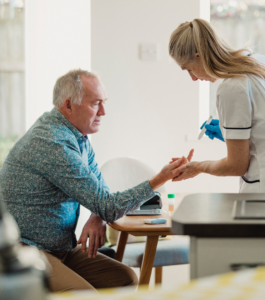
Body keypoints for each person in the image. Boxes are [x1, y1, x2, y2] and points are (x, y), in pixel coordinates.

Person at [0, 69, 188, 292]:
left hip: (62, 248)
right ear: (69, 105)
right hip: (28, 249)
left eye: (104, 102)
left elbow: (102, 195)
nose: (104, 111)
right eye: (96, 103)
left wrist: (97, 215)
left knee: (125, 280)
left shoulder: (79, 137)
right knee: (85, 295)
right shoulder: (53, 142)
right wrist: (161, 178)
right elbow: (109, 205)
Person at [168, 18, 265, 193]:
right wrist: (231, 133)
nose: (193, 78)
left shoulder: (232, 86)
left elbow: (236, 166)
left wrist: (197, 167)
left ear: (200, 56)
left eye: (189, 69)